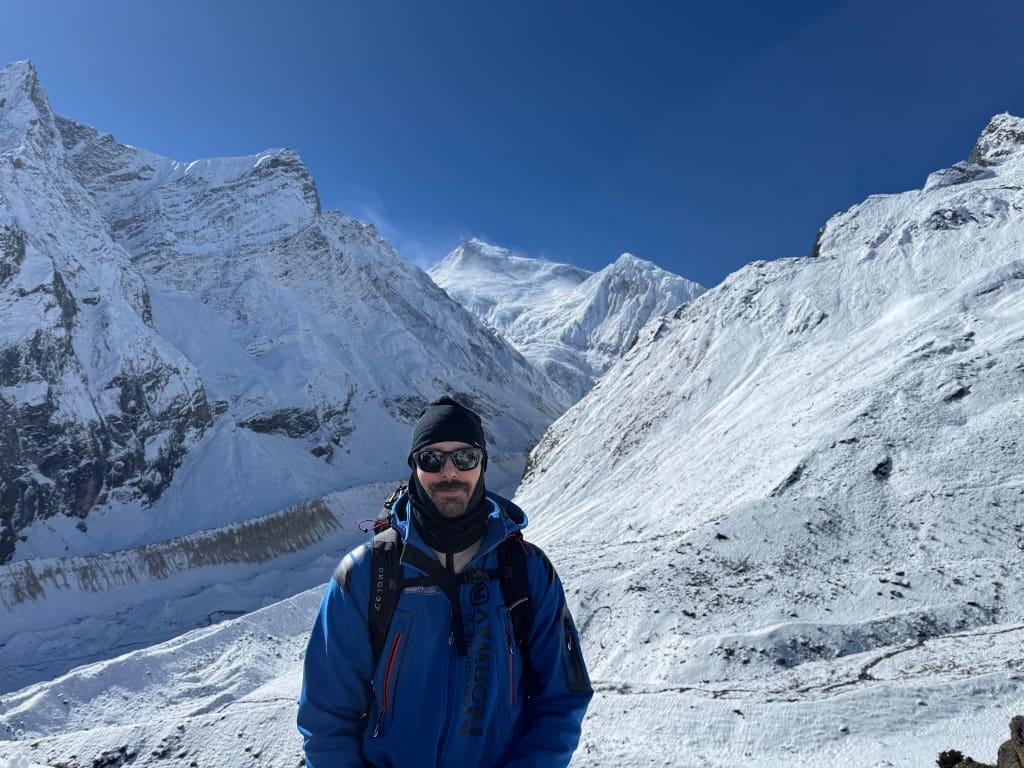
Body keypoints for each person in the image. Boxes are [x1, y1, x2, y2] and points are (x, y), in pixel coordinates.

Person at [297, 395, 593, 768]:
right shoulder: (366, 575)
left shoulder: (527, 571)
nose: (449, 472)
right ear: (414, 467)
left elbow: (562, 700)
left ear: (482, 464)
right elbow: (326, 719)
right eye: (432, 459)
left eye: (465, 457)